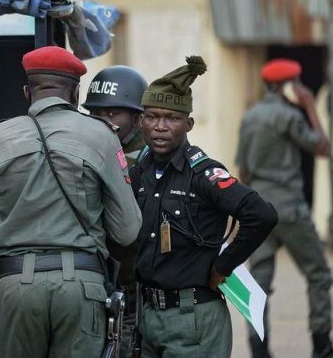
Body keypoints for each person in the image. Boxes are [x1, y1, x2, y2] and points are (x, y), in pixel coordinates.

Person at [0, 46, 142, 357]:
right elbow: (126, 231)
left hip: (15, 286)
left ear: (26, 91)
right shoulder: (101, 136)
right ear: (75, 93)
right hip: (82, 287)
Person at [131, 56, 277, 358]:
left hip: (193, 318)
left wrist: (223, 267)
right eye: (152, 116)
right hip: (149, 316)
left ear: (188, 124)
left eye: (171, 118)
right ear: (140, 121)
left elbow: (261, 215)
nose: (160, 126)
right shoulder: (140, 170)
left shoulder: (203, 173)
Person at [236, 58, 333, 358]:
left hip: (259, 210)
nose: (302, 88)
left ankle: (259, 349)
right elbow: (322, 148)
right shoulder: (289, 115)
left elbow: (244, 172)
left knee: (258, 283)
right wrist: (310, 106)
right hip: (289, 209)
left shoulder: (250, 117)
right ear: (288, 85)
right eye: (298, 83)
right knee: (318, 273)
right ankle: (321, 345)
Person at [81, 65, 148, 357]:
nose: (102, 123)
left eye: (112, 115)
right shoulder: (84, 151)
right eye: (95, 115)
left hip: (137, 291)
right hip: (100, 286)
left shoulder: (150, 158)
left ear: (136, 118)